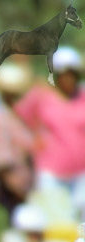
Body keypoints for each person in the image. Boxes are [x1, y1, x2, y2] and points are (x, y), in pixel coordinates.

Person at [16, 47, 85, 221]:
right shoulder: (42, 96)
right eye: (64, 73)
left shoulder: (82, 97)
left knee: (79, 222)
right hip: (52, 171)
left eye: (72, 73)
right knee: (54, 220)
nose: (68, 78)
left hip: (80, 173)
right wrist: (32, 141)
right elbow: (18, 116)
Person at [0, 61, 35, 216]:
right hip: (7, 192)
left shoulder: (18, 117)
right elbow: (1, 164)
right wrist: (19, 191)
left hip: (22, 186)